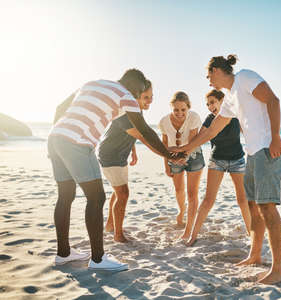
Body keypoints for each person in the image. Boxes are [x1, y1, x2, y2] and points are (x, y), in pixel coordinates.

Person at [48, 69, 184, 271]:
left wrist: (58, 135)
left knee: (65, 196)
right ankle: (98, 259)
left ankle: (64, 254)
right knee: (96, 198)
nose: (139, 97)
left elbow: (60, 107)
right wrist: (168, 154)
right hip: (78, 143)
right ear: (135, 86)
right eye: (140, 92)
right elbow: (145, 130)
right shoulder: (125, 95)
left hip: (56, 137)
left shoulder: (92, 83)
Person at [172, 55, 281, 284]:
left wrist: (275, 137)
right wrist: (185, 149)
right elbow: (210, 132)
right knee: (253, 206)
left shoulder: (245, 77)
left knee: (267, 207)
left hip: (267, 149)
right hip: (253, 153)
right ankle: (255, 255)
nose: (208, 81)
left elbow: (273, 101)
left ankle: (279, 268)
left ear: (217, 70)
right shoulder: (230, 98)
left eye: (209, 75)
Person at [185, 89, 251, 246]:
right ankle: (193, 236)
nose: (210, 106)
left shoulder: (235, 116)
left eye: (213, 102)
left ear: (222, 101)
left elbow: (248, 133)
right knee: (208, 200)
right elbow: (200, 138)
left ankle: (251, 234)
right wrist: (184, 150)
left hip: (237, 160)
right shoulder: (209, 119)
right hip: (217, 161)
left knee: (243, 200)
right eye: (207, 104)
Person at [98, 80, 157, 243]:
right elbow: (143, 136)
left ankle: (110, 226)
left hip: (120, 155)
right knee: (123, 194)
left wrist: (133, 151)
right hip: (110, 155)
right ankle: (118, 235)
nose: (150, 101)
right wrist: (166, 153)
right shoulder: (124, 111)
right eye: (146, 97)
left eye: (152, 96)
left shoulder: (137, 112)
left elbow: (130, 134)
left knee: (119, 192)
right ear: (135, 96)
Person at [159, 91, 205, 240]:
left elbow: (192, 142)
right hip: (173, 158)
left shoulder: (194, 118)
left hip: (193, 156)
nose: (180, 113)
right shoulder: (164, 121)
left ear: (188, 108)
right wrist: (167, 163)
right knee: (179, 190)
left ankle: (188, 229)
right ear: (171, 108)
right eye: (176, 110)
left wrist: (183, 156)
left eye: (183, 109)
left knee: (192, 193)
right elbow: (164, 144)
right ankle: (181, 211)